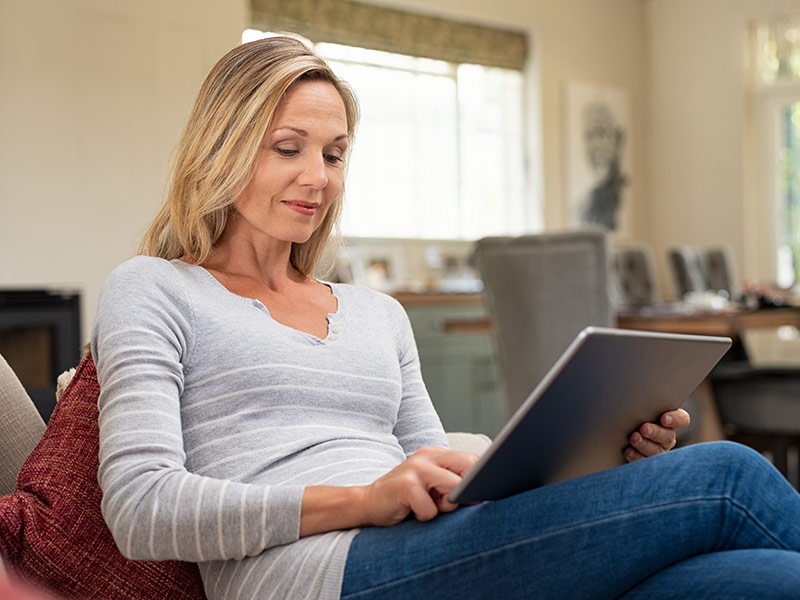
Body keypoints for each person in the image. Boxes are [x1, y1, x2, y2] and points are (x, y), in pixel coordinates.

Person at [91, 36, 800, 600]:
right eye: (289, 148)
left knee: (761, 582)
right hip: (316, 576)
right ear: (223, 143)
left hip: (426, 552)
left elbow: (446, 476)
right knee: (728, 476)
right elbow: (141, 508)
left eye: (335, 154)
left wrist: (604, 459)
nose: (320, 176)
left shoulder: (377, 314)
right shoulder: (154, 290)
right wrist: (362, 500)